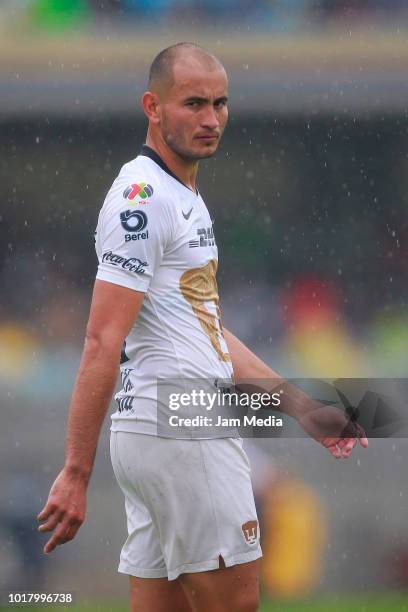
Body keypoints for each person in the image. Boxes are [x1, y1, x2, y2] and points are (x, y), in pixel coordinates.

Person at [37, 43, 368, 612]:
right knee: (234, 604)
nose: (211, 119)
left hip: (165, 429)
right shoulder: (142, 198)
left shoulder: (183, 193)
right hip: (180, 428)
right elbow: (100, 339)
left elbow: (206, 329)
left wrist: (300, 407)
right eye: (194, 103)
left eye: (220, 104)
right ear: (153, 107)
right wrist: (74, 471)